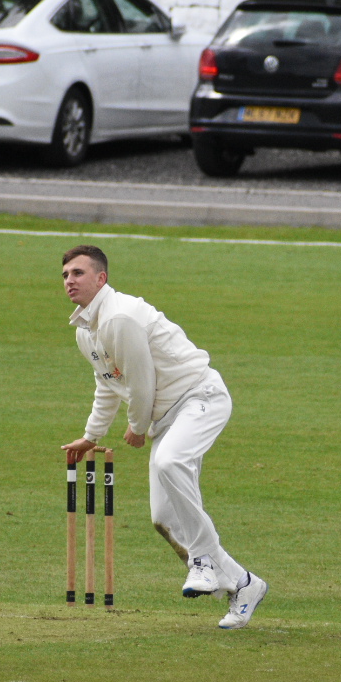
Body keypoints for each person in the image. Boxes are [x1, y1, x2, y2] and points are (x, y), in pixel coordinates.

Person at [57, 244, 268, 629]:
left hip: (200, 397)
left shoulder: (120, 318)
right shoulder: (86, 332)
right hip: (168, 417)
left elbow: (142, 382)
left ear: (101, 278)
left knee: (171, 461)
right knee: (163, 518)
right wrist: (91, 436)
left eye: (79, 273)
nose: (70, 281)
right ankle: (244, 583)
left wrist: (137, 429)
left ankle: (203, 561)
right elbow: (109, 384)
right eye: (66, 275)